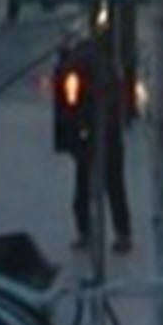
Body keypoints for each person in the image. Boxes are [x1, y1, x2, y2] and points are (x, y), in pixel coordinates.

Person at [61, 34, 135, 254]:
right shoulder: (108, 65)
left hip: (86, 129)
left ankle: (85, 233)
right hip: (110, 132)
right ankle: (123, 233)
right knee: (114, 184)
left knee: (83, 183)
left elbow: (69, 102)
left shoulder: (74, 66)